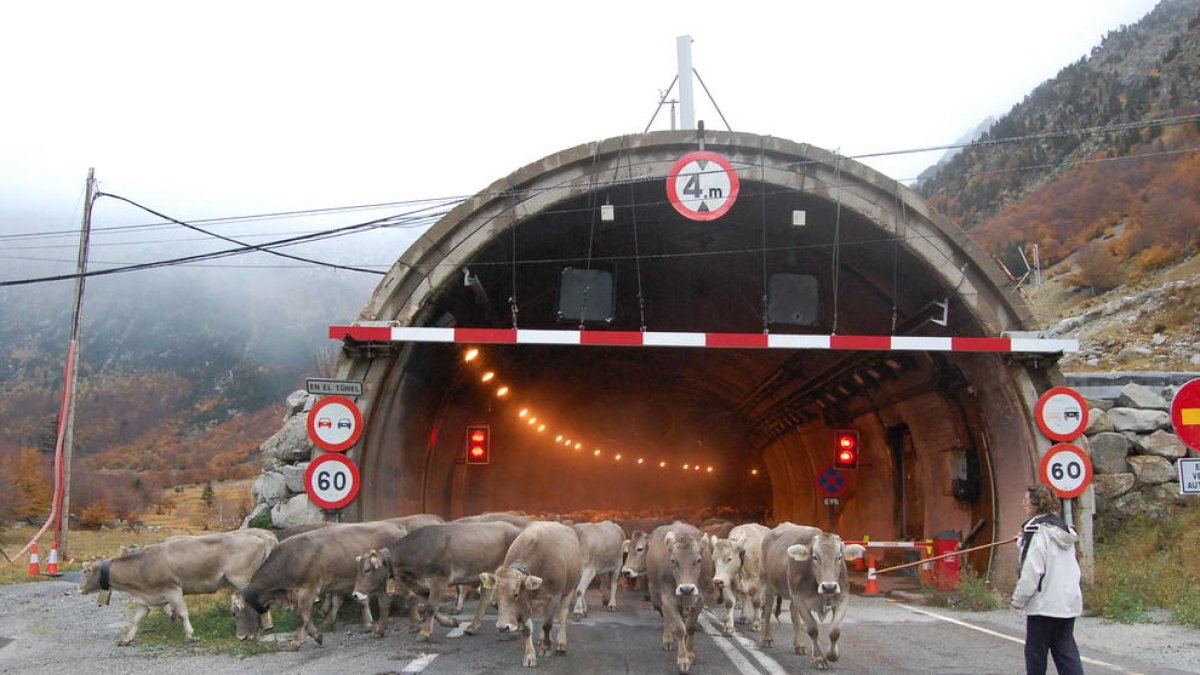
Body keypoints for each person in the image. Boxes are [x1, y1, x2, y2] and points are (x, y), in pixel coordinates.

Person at [1011, 483, 1084, 675]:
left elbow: (1032, 569)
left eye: (1026, 500)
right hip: (1067, 600)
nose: (1024, 504)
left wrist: (1019, 599)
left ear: (1037, 504)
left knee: (1035, 653)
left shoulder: (1035, 530)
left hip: (1044, 604)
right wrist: (1022, 541)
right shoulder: (1062, 529)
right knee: (1065, 650)